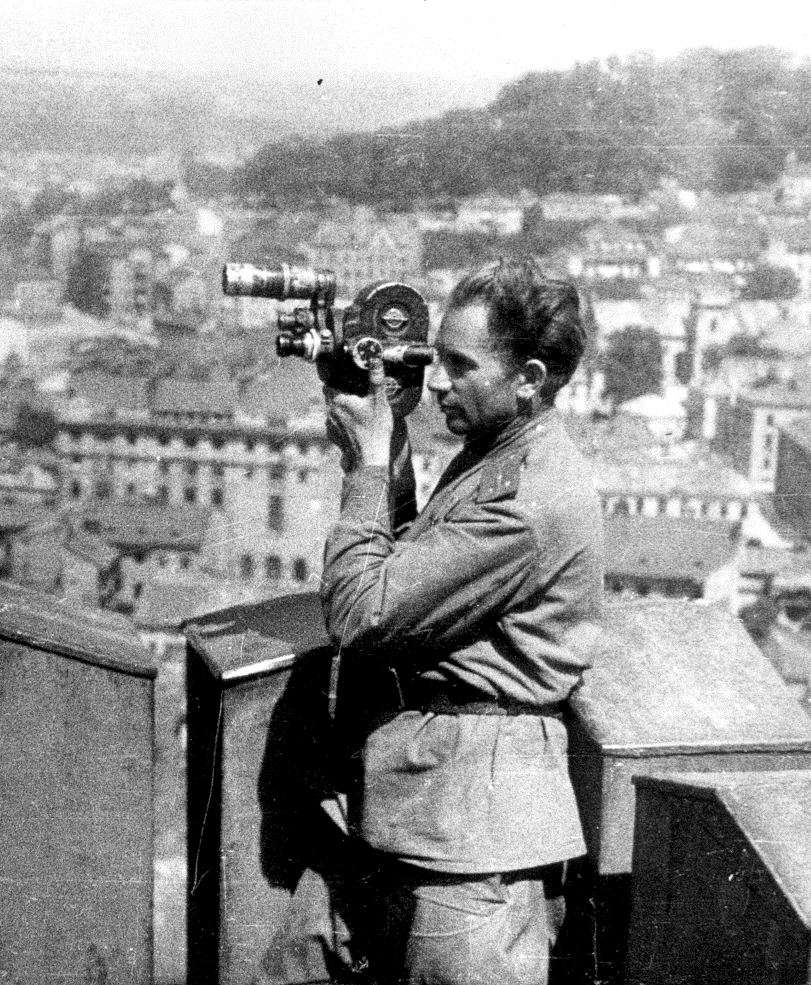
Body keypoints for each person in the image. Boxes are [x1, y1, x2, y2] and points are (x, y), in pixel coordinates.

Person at [318, 258, 604, 985]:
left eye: (458, 364)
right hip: (428, 812)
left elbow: (363, 610)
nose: (437, 379)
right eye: (434, 356)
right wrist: (391, 442)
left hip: (477, 847)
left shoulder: (526, 498)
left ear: (529, 378)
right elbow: (419, 566)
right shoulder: (496, 457)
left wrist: (363, 468)